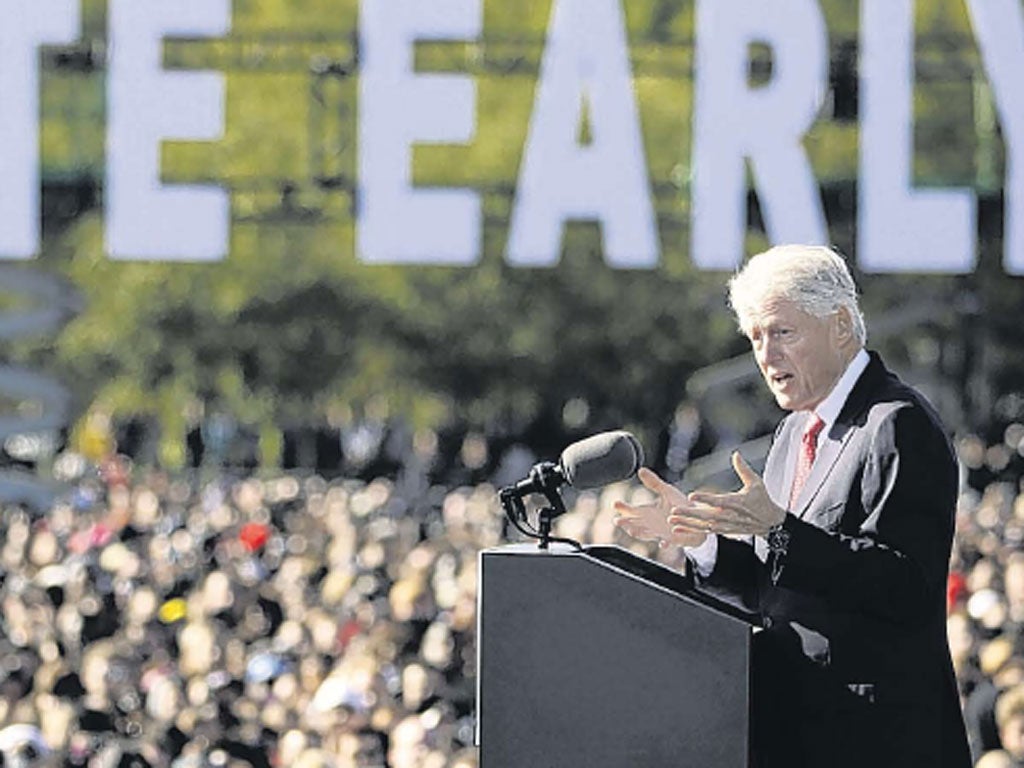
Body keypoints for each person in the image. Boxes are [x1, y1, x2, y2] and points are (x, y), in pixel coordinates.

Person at [614, 244, 971, 767]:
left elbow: (903, 588)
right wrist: (704, 542)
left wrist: (781, 530)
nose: (766, 354)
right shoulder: (792, 433)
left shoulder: (896, 425)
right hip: (796, 734)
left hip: (875, 742)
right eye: (756, 337)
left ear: (842, 326)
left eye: (782, 332)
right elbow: (776, 589)